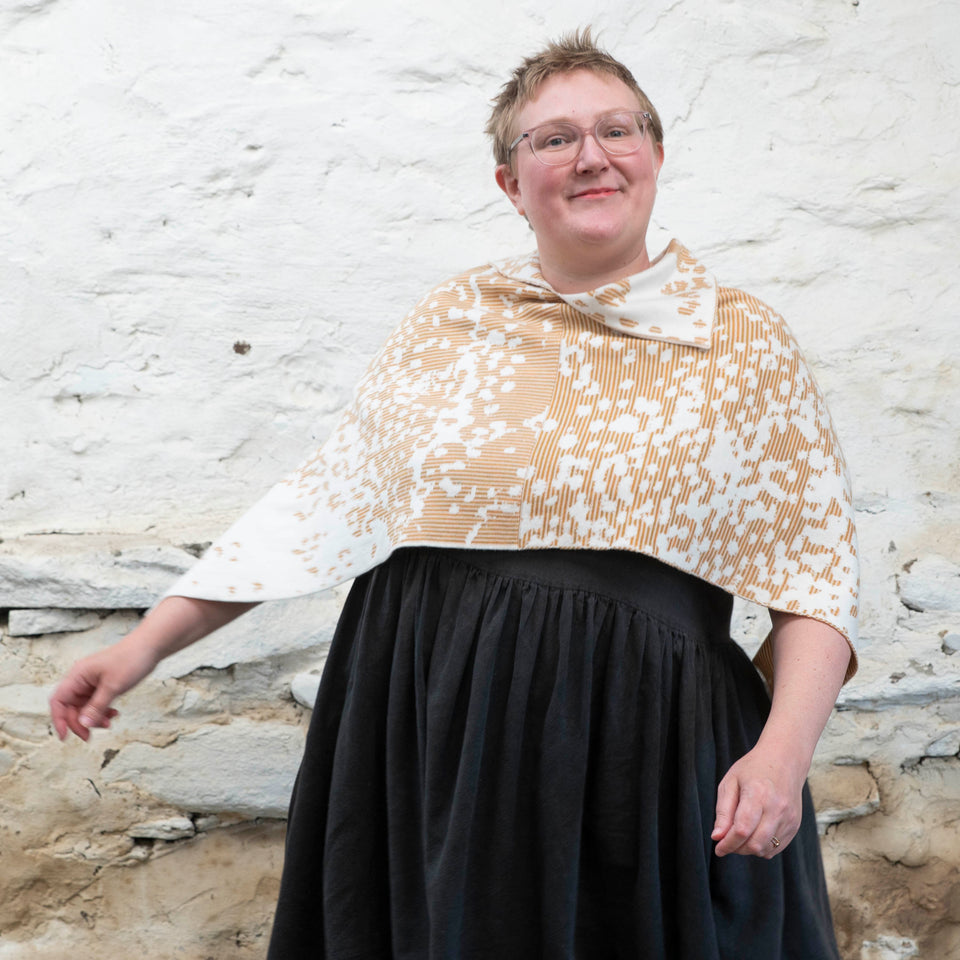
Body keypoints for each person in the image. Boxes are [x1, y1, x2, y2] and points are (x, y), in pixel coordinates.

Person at [50, 29, 859, 960]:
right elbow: (318, 506)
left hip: (630, 748)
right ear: (512, 184)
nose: (591, 154)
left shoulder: (742, 340)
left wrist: (783, 754)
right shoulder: (450, 323)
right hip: (429, 732)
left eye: (616, 130)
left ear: (656, 154)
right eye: (553, 139)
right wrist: (145, 645)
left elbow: (815, 577)